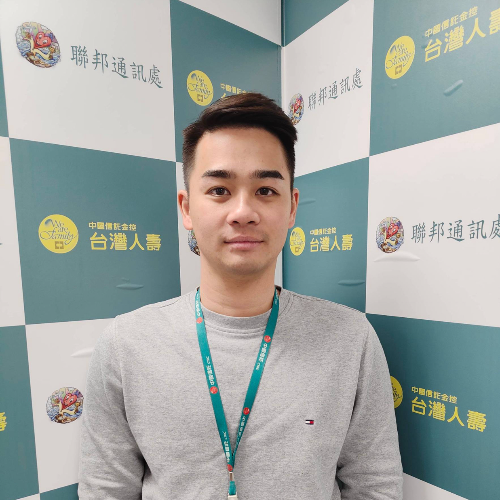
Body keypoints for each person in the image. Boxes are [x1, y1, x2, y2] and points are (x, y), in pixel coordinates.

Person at [78, 92, 403, 499]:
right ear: (186, 209)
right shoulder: (127, 344)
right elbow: (106, 491)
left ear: (292, 207)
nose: (243, 212)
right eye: (219, 190)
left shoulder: (350, 339)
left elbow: (375, 486)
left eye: (265, 190)